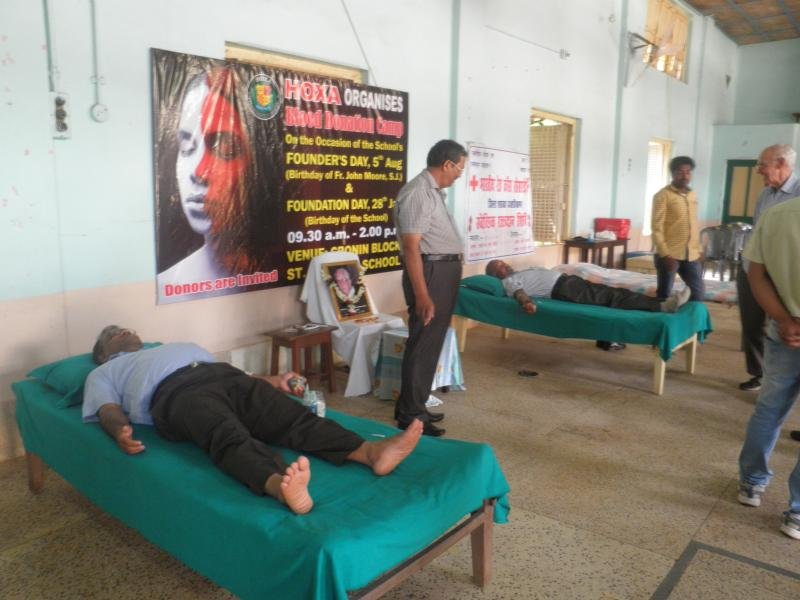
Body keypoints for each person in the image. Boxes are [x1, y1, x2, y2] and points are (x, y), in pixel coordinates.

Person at [83, 325, 423, 514]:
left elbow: (238, 372)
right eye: (115, 333)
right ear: (104, 352)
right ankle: (279, 485)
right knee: (225, 433)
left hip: (226, 377)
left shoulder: (168, 345)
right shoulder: (104, 371)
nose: (125, 330)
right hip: (177, 394)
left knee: (290, 416)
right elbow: (106, 409)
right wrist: (119, 431)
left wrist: (272, 381)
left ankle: (368, 453)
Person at [156, 66, 284, 302]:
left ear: (261, 163)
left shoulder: (288, 272)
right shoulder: (167, 288)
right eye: (186, 147)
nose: (199, 172)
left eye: (225, 148)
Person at [736, 195, 800, 540]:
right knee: (769, 409)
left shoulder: (777, 215)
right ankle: (797, 513)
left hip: (785, 330)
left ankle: (751, 483)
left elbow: (755, 273)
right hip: (786, 329)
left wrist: (783, 318)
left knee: (770, 409)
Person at [393, 140, 467, 437]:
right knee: (423, 340)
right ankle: (410, 415)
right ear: (447, 164)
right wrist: (422, 295)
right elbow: (411, 248)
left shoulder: (433, 193)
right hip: (430, 273)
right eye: (460, 167)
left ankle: (415, 407)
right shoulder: (418, 193)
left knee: (431, 342)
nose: (461, 173)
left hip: (441, 272)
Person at [736, 144, 800, 392]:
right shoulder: (764, 195)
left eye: (763, 164)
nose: (758, 170)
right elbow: (757, 235)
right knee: (752, 326)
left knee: (788, 330)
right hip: (754, 270)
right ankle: (758, 373)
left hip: (785, 276)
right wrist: (748, 265)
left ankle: (782, 383)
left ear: (781, 164)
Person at [486, 260, 691, 313]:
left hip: (568, 283)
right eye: (500, 268)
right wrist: (527, 303)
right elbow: (519, 293)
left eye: (503, 263)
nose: (505, 265)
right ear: (496, 276)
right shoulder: (508, 282)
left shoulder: (520, 272)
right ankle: (663, 307)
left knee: (615, 293)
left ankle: (661, 302)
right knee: (613, 298)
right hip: (563, 289)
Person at [651, 156, 704, 302]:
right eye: (680, 172)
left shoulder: (692, 195)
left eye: (688, 172)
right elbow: (656, 227)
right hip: (669, 255)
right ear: (673, 174)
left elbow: (693, 224)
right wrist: (665, 255)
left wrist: (698, 249)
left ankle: (693, 324)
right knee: (664, 296)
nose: (685, 176)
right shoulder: (662, 196)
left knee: (698, 294)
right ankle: (662, 323)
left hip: (690, 255)